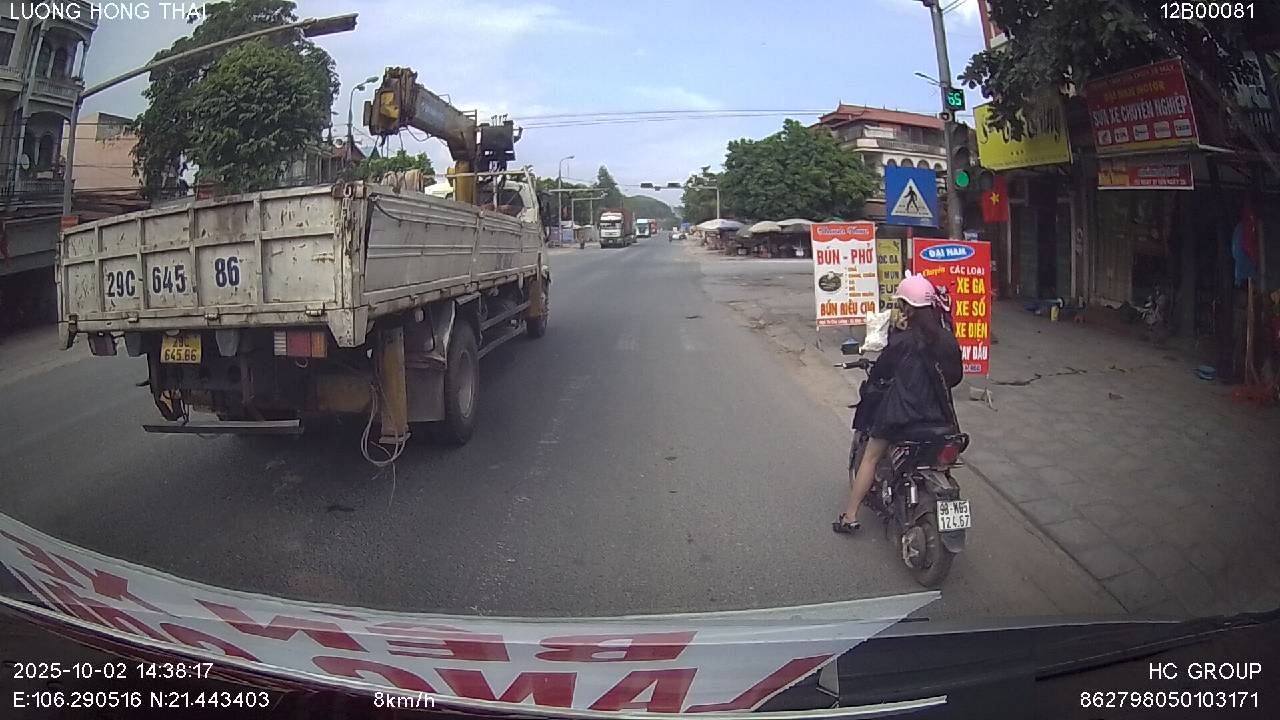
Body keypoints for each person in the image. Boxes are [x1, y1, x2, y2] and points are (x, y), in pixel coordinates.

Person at [833, 274, 964, 533]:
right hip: (939, 419)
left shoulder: (903, 341)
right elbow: (955, 377)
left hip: (900, 419)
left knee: (871, 457)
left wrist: (896, 333)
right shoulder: (947, 339)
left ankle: (850, 517)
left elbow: (880, 373)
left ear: (907, 308)